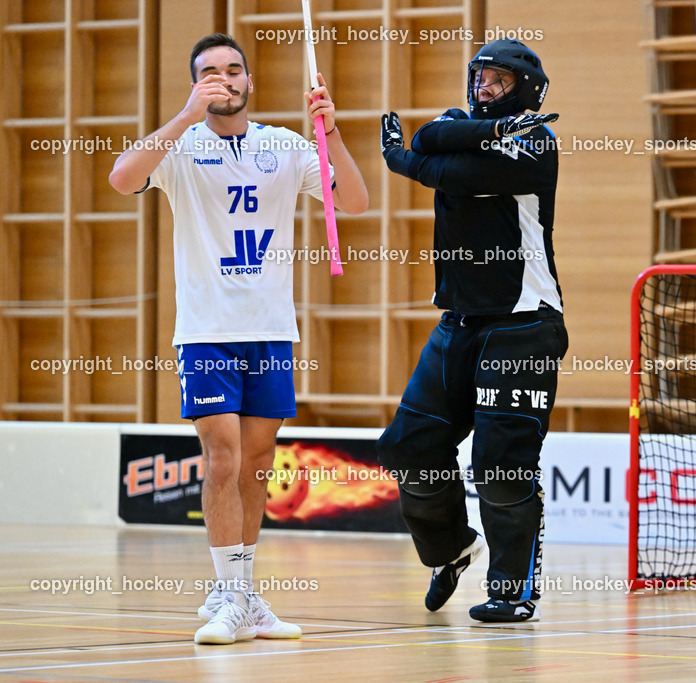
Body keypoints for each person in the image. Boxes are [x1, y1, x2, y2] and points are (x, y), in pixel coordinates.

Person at [109, 33, 368, 644]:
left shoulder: (283, 146)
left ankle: (244, 593)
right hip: (206, 331)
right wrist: (185, 114)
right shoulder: (182, 146)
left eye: (233, 70)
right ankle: (229, 593)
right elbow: (122, 178)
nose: (223, 80)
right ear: (196, 82)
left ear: (250, 82)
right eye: (209, 73)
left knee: (255, 464)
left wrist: (329, 131)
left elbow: (353, 201)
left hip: (272, 330)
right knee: (221, 458)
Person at [376, 38, 567, 623]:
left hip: (523, 325)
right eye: (479, 75)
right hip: (458, 322)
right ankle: (452, 548)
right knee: (409, 448)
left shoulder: (538, 142)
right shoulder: (462, 125)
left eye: (499, 81)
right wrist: (435, 148)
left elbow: (435, 162)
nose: (483, 87)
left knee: (500, 466)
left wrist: (408, 160)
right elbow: (435, 141)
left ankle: (513, 588)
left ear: (528, 91)